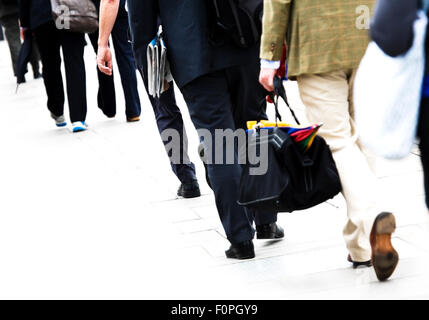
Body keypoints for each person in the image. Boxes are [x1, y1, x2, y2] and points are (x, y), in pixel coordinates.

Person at [119, 0, 283, 259]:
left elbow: (140, 18)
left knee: (219, 144)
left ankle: (240, 238)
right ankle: (266, 219)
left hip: (192, 54)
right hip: (244, 40)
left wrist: (148, 66)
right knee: (253, 130)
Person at [259, 0, 398, 281]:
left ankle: (370, 221)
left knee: (336, 141)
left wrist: (270, 58)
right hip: (369, 34)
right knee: (365, 137)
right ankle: (360, 246)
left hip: (317, 43)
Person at [97, 0, 200, 198]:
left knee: (164, 107)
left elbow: (111, 1)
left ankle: (187, 178)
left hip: (148, 37)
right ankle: (217, 163)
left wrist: (103, 43)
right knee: (202, 101)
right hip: (186, 30)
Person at [19, 0, 88, 132]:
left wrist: (24, 24)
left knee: (50, 62)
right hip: (66, 9)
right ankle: (78, 117)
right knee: (74, 60)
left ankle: (57, 111)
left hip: (42, 14)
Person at [89, 0, 141, 122]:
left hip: (98, 7)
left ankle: (109, 106)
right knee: (126, 54)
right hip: (122, 5)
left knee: (101, 52)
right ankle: (133, 110)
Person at [0, 0, 41, 80]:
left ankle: (20, 73)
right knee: (29, 37)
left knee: (14, 41)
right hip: (24, 6)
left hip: (6, 10)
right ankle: (36, 70)